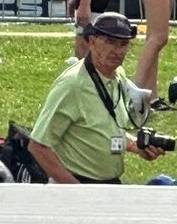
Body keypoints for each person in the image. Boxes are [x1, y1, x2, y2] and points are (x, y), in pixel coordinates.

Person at [30, 14, 163, 183]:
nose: (117, 50)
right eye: (109, 42)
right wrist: (78, 191)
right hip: (79, 184)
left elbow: (106, 129)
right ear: (91, 41)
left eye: (123, 44)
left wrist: (137, 146)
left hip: (110, 183)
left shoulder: (117, 74)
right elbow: (38, 146)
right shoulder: (72, 85)